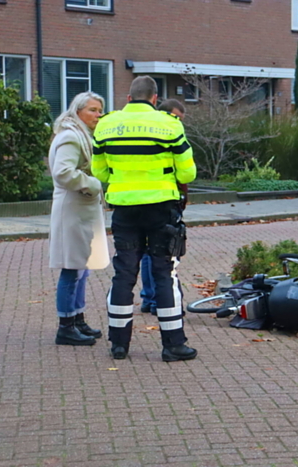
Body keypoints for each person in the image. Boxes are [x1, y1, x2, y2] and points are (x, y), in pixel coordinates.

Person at [92, 77, 197, 362]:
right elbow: (188, 174)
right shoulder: (170, 125)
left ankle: (118, 344)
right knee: (165, 273)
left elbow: (99, 171)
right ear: (154, 99)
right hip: (161, 209)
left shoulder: (106, 125)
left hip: (124, 210)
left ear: (128, 98)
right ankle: (173, 344)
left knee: (123, 274)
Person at [48, 91, 110, 345]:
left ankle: (77, 318)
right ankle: (66, 326)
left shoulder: (80, 135)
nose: (98, 115)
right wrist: (93, 184)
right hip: (72, 210)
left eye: (100, 110)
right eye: (93, 110)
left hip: (81, 210)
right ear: (78, 111)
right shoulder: (72, 137)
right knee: (72, 268)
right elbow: (63, 173)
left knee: (82, 269)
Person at [139, 99, 188, 317]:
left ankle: (149, 298)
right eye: (176, 117)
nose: (179, 123)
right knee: (159, 252)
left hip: (151, 199)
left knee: (149, 253)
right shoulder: (165, 135)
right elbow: (184, 172)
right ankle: (155, 299)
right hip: (159, 200)